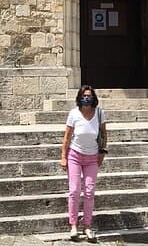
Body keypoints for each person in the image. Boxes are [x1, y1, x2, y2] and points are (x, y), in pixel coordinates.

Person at [60, 84, 107, 242]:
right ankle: (73, 225)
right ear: (79, 97)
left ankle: (87, 226)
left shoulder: (99, 113)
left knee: (89, 192)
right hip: (74, 155)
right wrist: (63, 156)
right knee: (74, 190)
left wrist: (102, 153)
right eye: (84, 95)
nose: (87, 98)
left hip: (92, 157)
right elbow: (67, 137)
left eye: (89, 95)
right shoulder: (74, 113)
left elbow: (104, 135)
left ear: (94, 98)